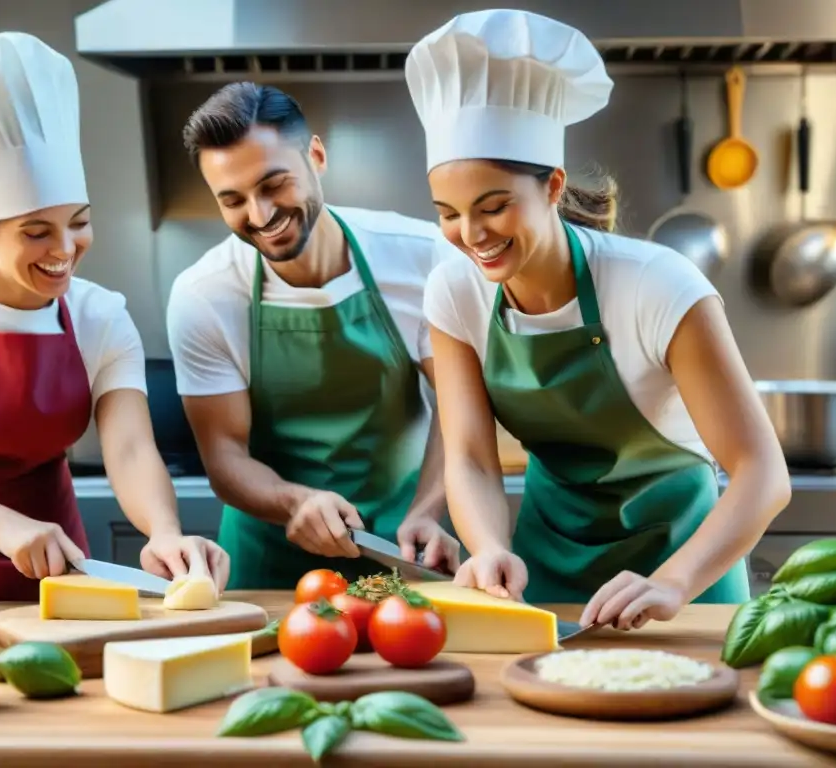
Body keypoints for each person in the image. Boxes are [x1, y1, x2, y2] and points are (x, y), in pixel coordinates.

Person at [404, 10, 791, 629]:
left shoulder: (657, 285)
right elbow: (473, 458)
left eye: (494, 206)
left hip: (681, 565)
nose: (470, 235)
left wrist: (673, 583)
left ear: (553, 186)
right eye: (448, 212)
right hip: (544, 561)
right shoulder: (455, 292)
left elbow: (762, 473)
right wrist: (490, 549)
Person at [0, 32, 230, 601]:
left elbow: (128, 450)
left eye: (79, 222)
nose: (65, 248)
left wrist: (165, 531)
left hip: (56, 575)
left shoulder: (101, 317)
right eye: (36, 232)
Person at [166, 82, 461, 589]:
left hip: (405, 544)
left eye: (274, 184)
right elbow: (225, 455)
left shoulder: (420, 257)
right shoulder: (204, 295)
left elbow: (462, 410)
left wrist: (430, 510)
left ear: (316, 156)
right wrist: (295, 501)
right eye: (233, 200)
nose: (260, 215)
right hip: (268, 564)